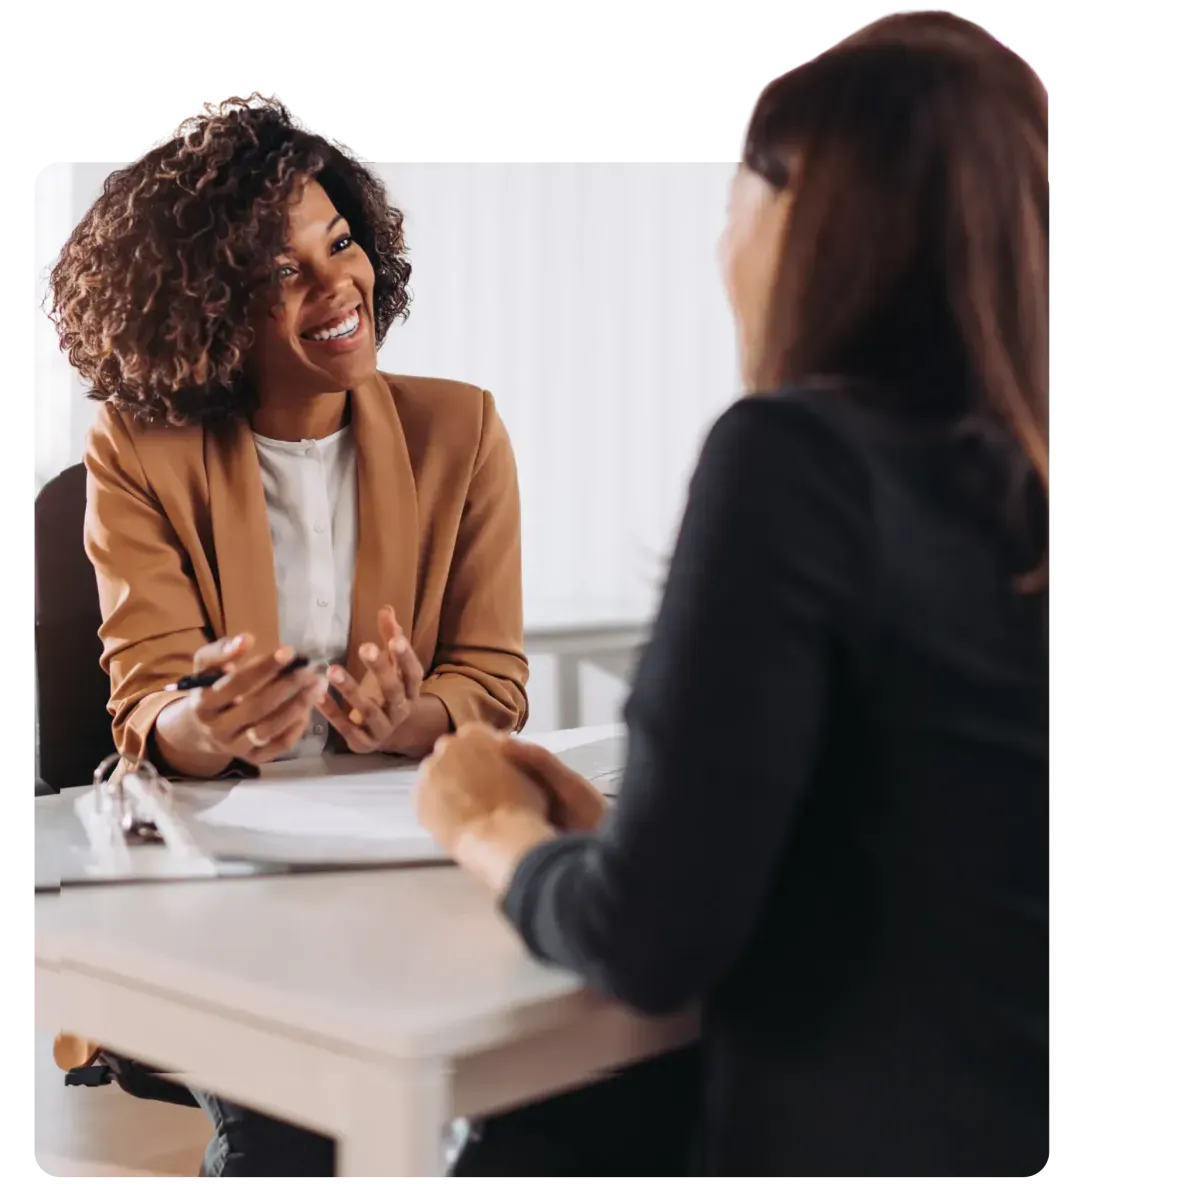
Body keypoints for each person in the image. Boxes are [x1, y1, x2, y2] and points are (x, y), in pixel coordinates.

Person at [416, 11, 1054, 1184]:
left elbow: (646, 942)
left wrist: (487, 828)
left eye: (734, 199)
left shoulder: (794, 458)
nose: (723, 244)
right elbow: (941, 853)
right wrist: (638, 838)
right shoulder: (1019, 485)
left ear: (808, 212)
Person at [46, 94, 529, 1182]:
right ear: (207, 301)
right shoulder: (141, 447)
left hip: (405, 874)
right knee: (289, 1136)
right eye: (282, 270)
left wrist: (422, 714)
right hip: (227, 887)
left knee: (526, 1106)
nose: (335, 287)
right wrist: (208, 725)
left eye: (340, 243)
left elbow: (495, 674)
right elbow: (145, 708)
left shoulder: (464, 430)